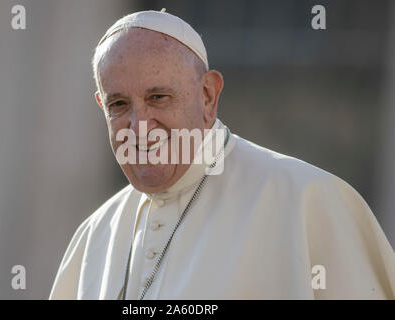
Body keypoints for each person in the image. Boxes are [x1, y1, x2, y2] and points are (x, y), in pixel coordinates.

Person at [49, 9, 395, 299]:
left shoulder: (306, 200)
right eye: (119, 104)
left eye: (158, 97)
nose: (139, 126)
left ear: (207, 96)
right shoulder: (95, 236)